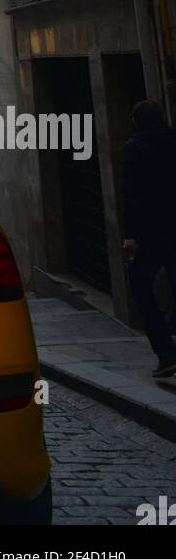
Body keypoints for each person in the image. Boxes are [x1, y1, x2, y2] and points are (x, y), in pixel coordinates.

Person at [121, 100, 176, 379]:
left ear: (136, 121)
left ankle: (166, 354)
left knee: (140, 287)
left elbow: (130, 197)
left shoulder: (134, 147)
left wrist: (131, 236)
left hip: (152, 232)